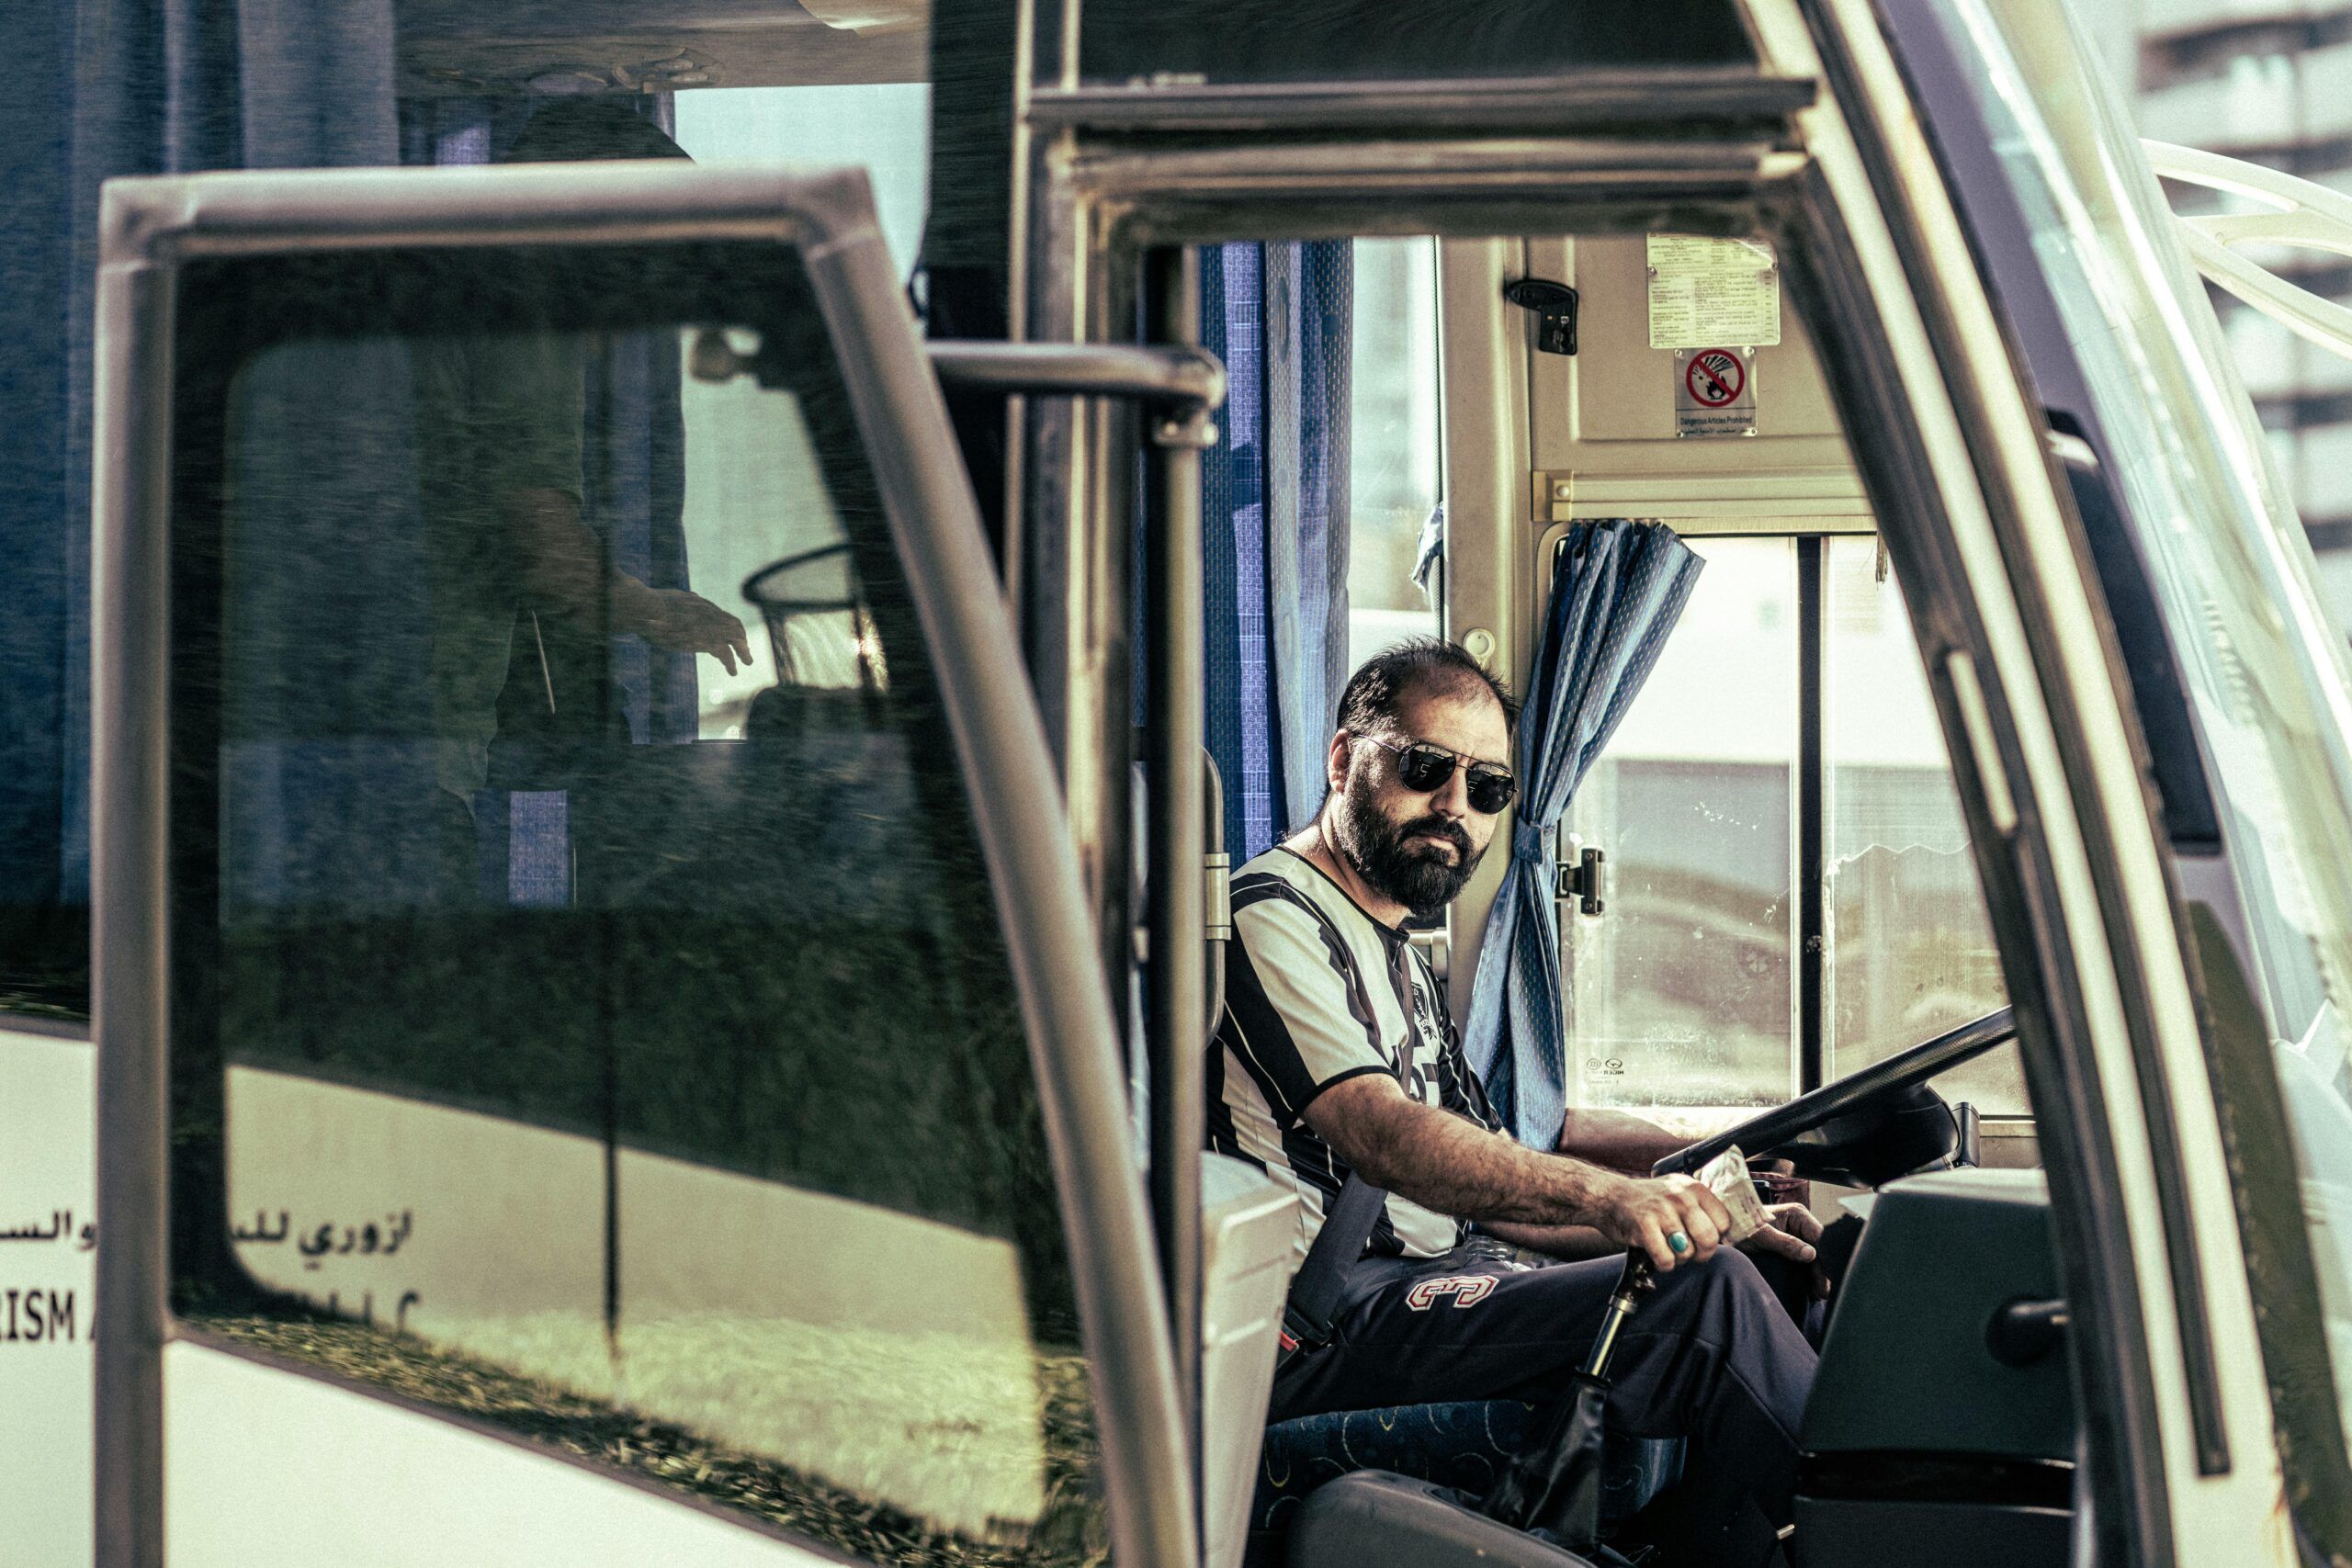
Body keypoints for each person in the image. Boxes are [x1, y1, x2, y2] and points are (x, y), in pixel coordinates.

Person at [1209, 638, 1820, 1565]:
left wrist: (1690, 1223)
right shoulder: (1269, 919)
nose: (1454, 807)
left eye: (1488, 788)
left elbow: (1502, 1187)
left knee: (1734, 1268)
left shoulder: (1399, 956)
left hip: (1419, 1284)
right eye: (1425, 769)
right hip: (1318, 1328)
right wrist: (1615, 1200)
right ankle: (1880, 1525)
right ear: (1343, 761)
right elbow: (1380, 1133)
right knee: (1706, 1302)